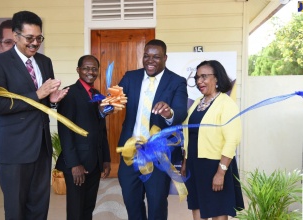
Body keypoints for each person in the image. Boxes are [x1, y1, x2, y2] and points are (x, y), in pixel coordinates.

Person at [0, 11, 69, 220]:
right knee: (16, 208)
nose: (35, 43)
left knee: (39, 207)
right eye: (29, 38)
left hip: (41, 147)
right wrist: (37, 94)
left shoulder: (45, 61)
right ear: (16, 36)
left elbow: (42, 103)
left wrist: (52, 101)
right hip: (13, 147)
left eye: (39, 38)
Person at [117, 39, 188, 220]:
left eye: (156, 57)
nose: (150, 61)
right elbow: (115, 99)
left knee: (156, 204)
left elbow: (180, 113)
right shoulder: (130, 77)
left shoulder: (176, 81)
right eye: (147, 56)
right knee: (132, 202)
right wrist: (106, 105)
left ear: (165, 58)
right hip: (130, 152)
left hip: (158, 153)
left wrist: (168, 112)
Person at [180, 60, 244, 220]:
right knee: (197, 205)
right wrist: (186, 161)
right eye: (197, 78)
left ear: (217, 79)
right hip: (194, 165)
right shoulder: (196, 103)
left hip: (215, 165)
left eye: (204, 77)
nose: (199, 81)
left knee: (218, 209)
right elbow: (190, 135)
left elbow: (232, 140)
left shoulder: (226, 104)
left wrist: (221, 172)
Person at [55, 55, 111, 220]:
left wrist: (106, 159)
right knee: (76, 211)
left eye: (94, 69)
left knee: (88, 208)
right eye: (86, 68)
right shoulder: (69, 94)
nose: (90, 72)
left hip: (94, 162)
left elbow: (101, 130)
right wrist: (74, 164)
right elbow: (65, 130)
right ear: (78, 70)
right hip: (77, 164)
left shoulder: (97, 95)